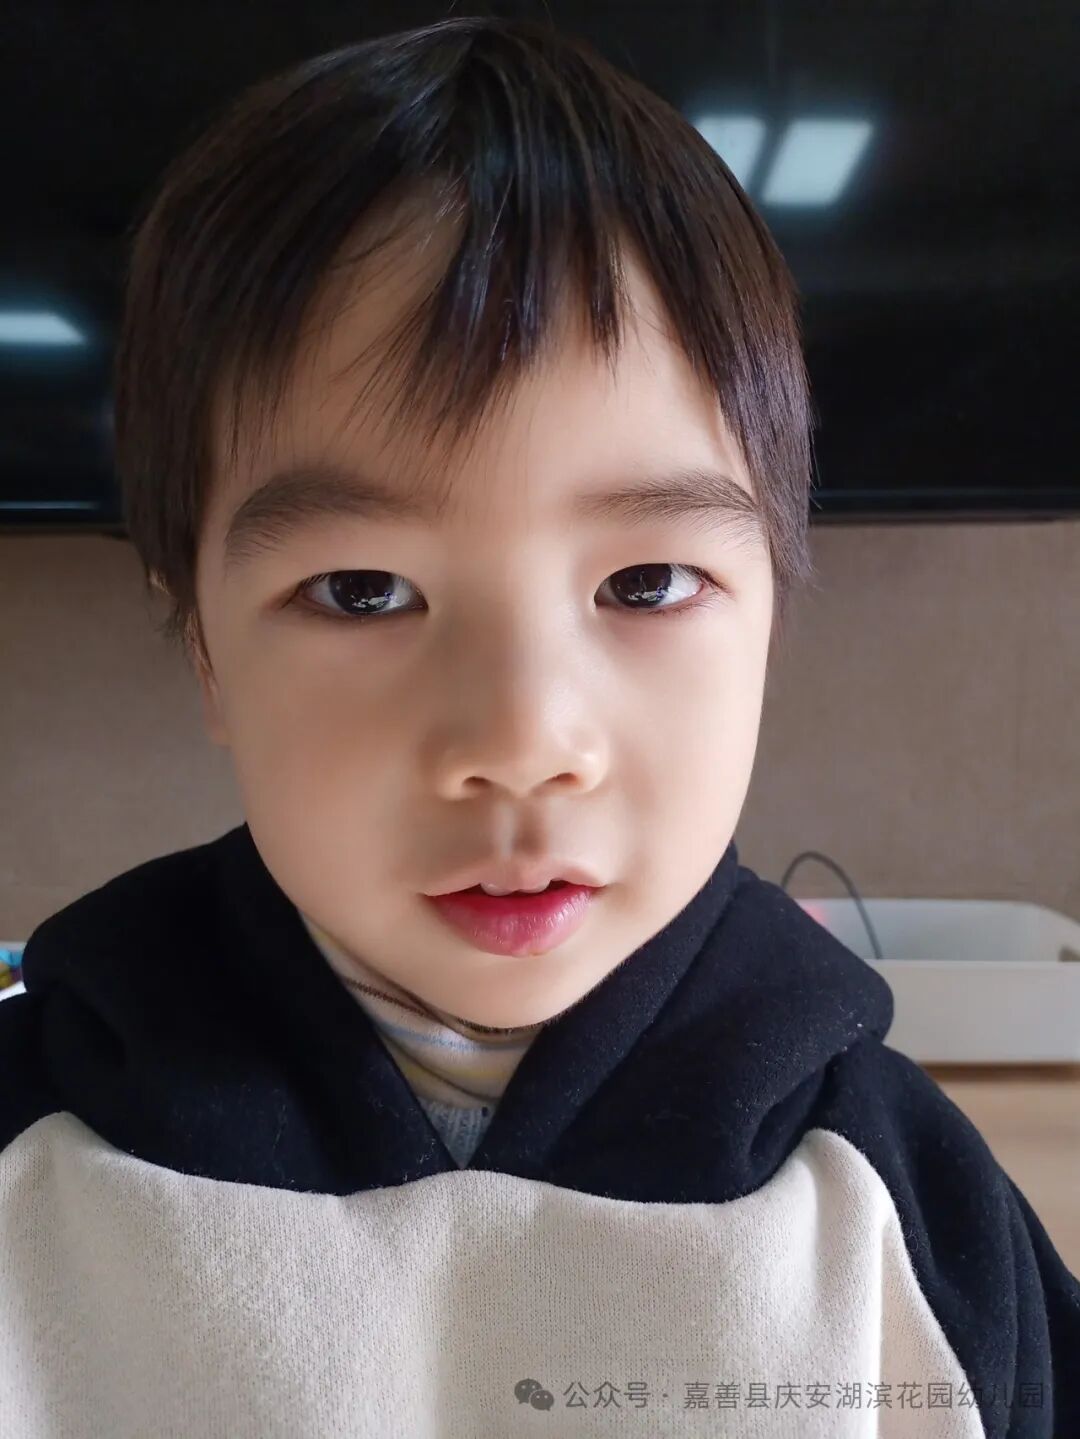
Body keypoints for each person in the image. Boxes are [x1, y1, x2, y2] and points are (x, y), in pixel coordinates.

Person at [2, 16, 1076, 1438]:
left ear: (769, 619)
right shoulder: (40, 1163)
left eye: (646, 584)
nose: (521, 740)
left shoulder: (902, 1204)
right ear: (204, 646)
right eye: (364, 591)